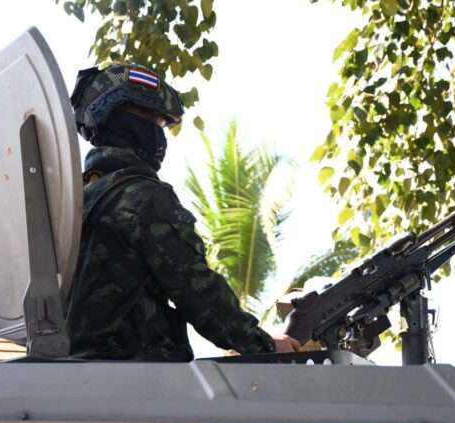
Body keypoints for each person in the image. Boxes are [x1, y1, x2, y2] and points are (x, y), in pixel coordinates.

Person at [66, 63, 299, 361]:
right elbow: (199, 293)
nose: (159, 134)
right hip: (137, 377)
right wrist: (265, 345)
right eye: (153, 119)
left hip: (74, 373)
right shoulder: (143, 197)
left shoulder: (75, 203)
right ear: (121, 118)